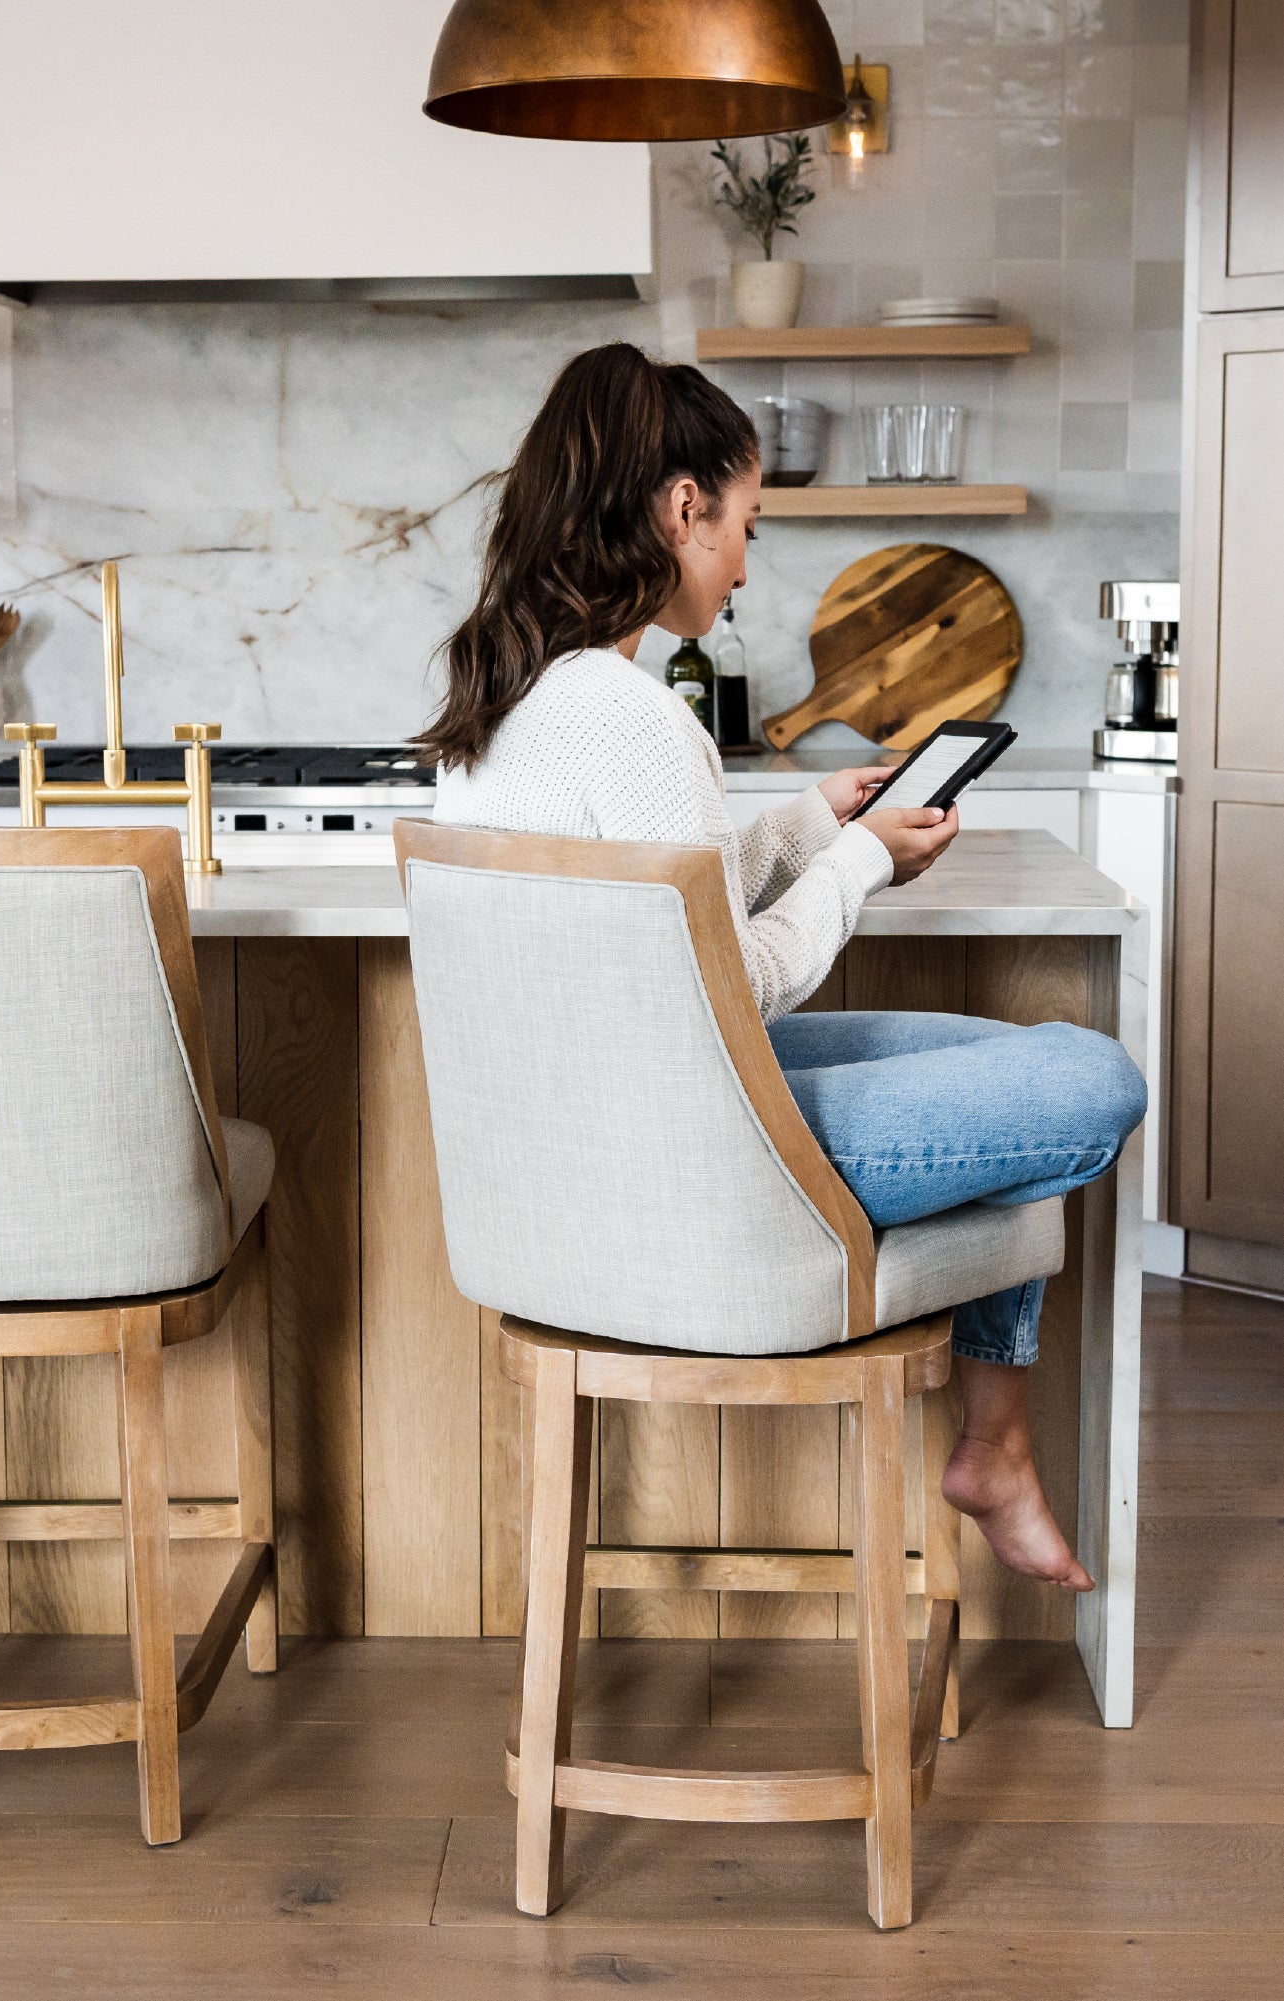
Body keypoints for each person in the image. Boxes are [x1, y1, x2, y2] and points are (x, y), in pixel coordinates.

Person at [423, 341, 1145, 1592]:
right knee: (1085, 1079)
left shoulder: (509, 694)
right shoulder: (631, 712)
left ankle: (996, 1446)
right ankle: (993, 1441)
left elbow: (667, 912)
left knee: (988, 1062)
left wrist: (816, 822)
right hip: (701, 1174)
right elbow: (741, 981)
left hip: (593, 1152)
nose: (748, 565)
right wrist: (860, 865)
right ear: (681, 508)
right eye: (745, 525)